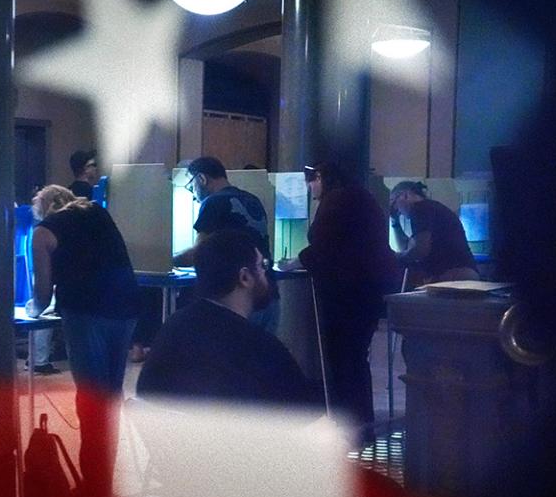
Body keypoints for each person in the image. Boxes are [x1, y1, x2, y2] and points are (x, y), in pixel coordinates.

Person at [27, 184, 138, 497]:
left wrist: (32, 308)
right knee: (110, 397)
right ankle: (104, 483)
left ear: (43, 207)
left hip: (86, 311)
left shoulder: (43, 233)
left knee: (91, 399)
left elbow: (43, 295)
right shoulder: (97, 212)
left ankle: (94, 488)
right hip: (126, 307)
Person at [138, 230, 322, 408]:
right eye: (261, 266)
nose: (266, 274)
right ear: (244, 277)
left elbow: (146, 394)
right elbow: (301, 407)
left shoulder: (173, 327)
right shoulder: (261, 347)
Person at [279, 161, 398, 434]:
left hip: (349, 293)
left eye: (311, 180)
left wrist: (296, 261)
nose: (310, 188)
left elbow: (325, 246)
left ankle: (351, 421)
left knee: (345, 359)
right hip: (369, 288)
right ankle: (360, 419)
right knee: (355, 357)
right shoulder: (359, 196)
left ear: (321, 176)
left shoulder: (337, 201)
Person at [172, 156, 279, 333]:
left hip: (236, 300)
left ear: (201, 179)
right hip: (268, 295)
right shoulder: (253, 200)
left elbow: (199, 252)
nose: (193, 196)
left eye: (191, 187)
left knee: (232, 358)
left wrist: (168, 260)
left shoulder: (212, 203)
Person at [389, 181, 479, 285]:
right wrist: (395, 221)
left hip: (455, 275)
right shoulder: (430, 209)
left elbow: (419, 251)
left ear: (405, 195)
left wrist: (394, 257)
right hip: (463, 275)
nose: (395, 209)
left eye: (394, 202)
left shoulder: (420, 208)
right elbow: (407, 249)